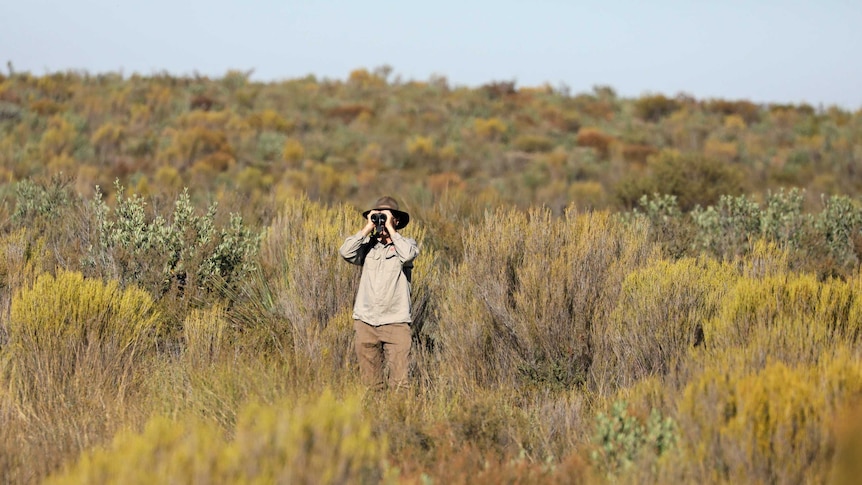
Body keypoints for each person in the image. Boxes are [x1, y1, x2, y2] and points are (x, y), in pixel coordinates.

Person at [339, 196, 419, 391]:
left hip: (396, 321)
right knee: (370, 384)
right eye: (378, 216)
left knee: (400, 384)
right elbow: (345, 251)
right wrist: (367, 228)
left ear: (397, 220)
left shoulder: (405, 244)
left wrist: (391, 229)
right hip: (366, 321)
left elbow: (408, 255)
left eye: (386, 216)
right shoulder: (367, 247)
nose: (381, 221)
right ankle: (374, 418)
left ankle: (401, 418)